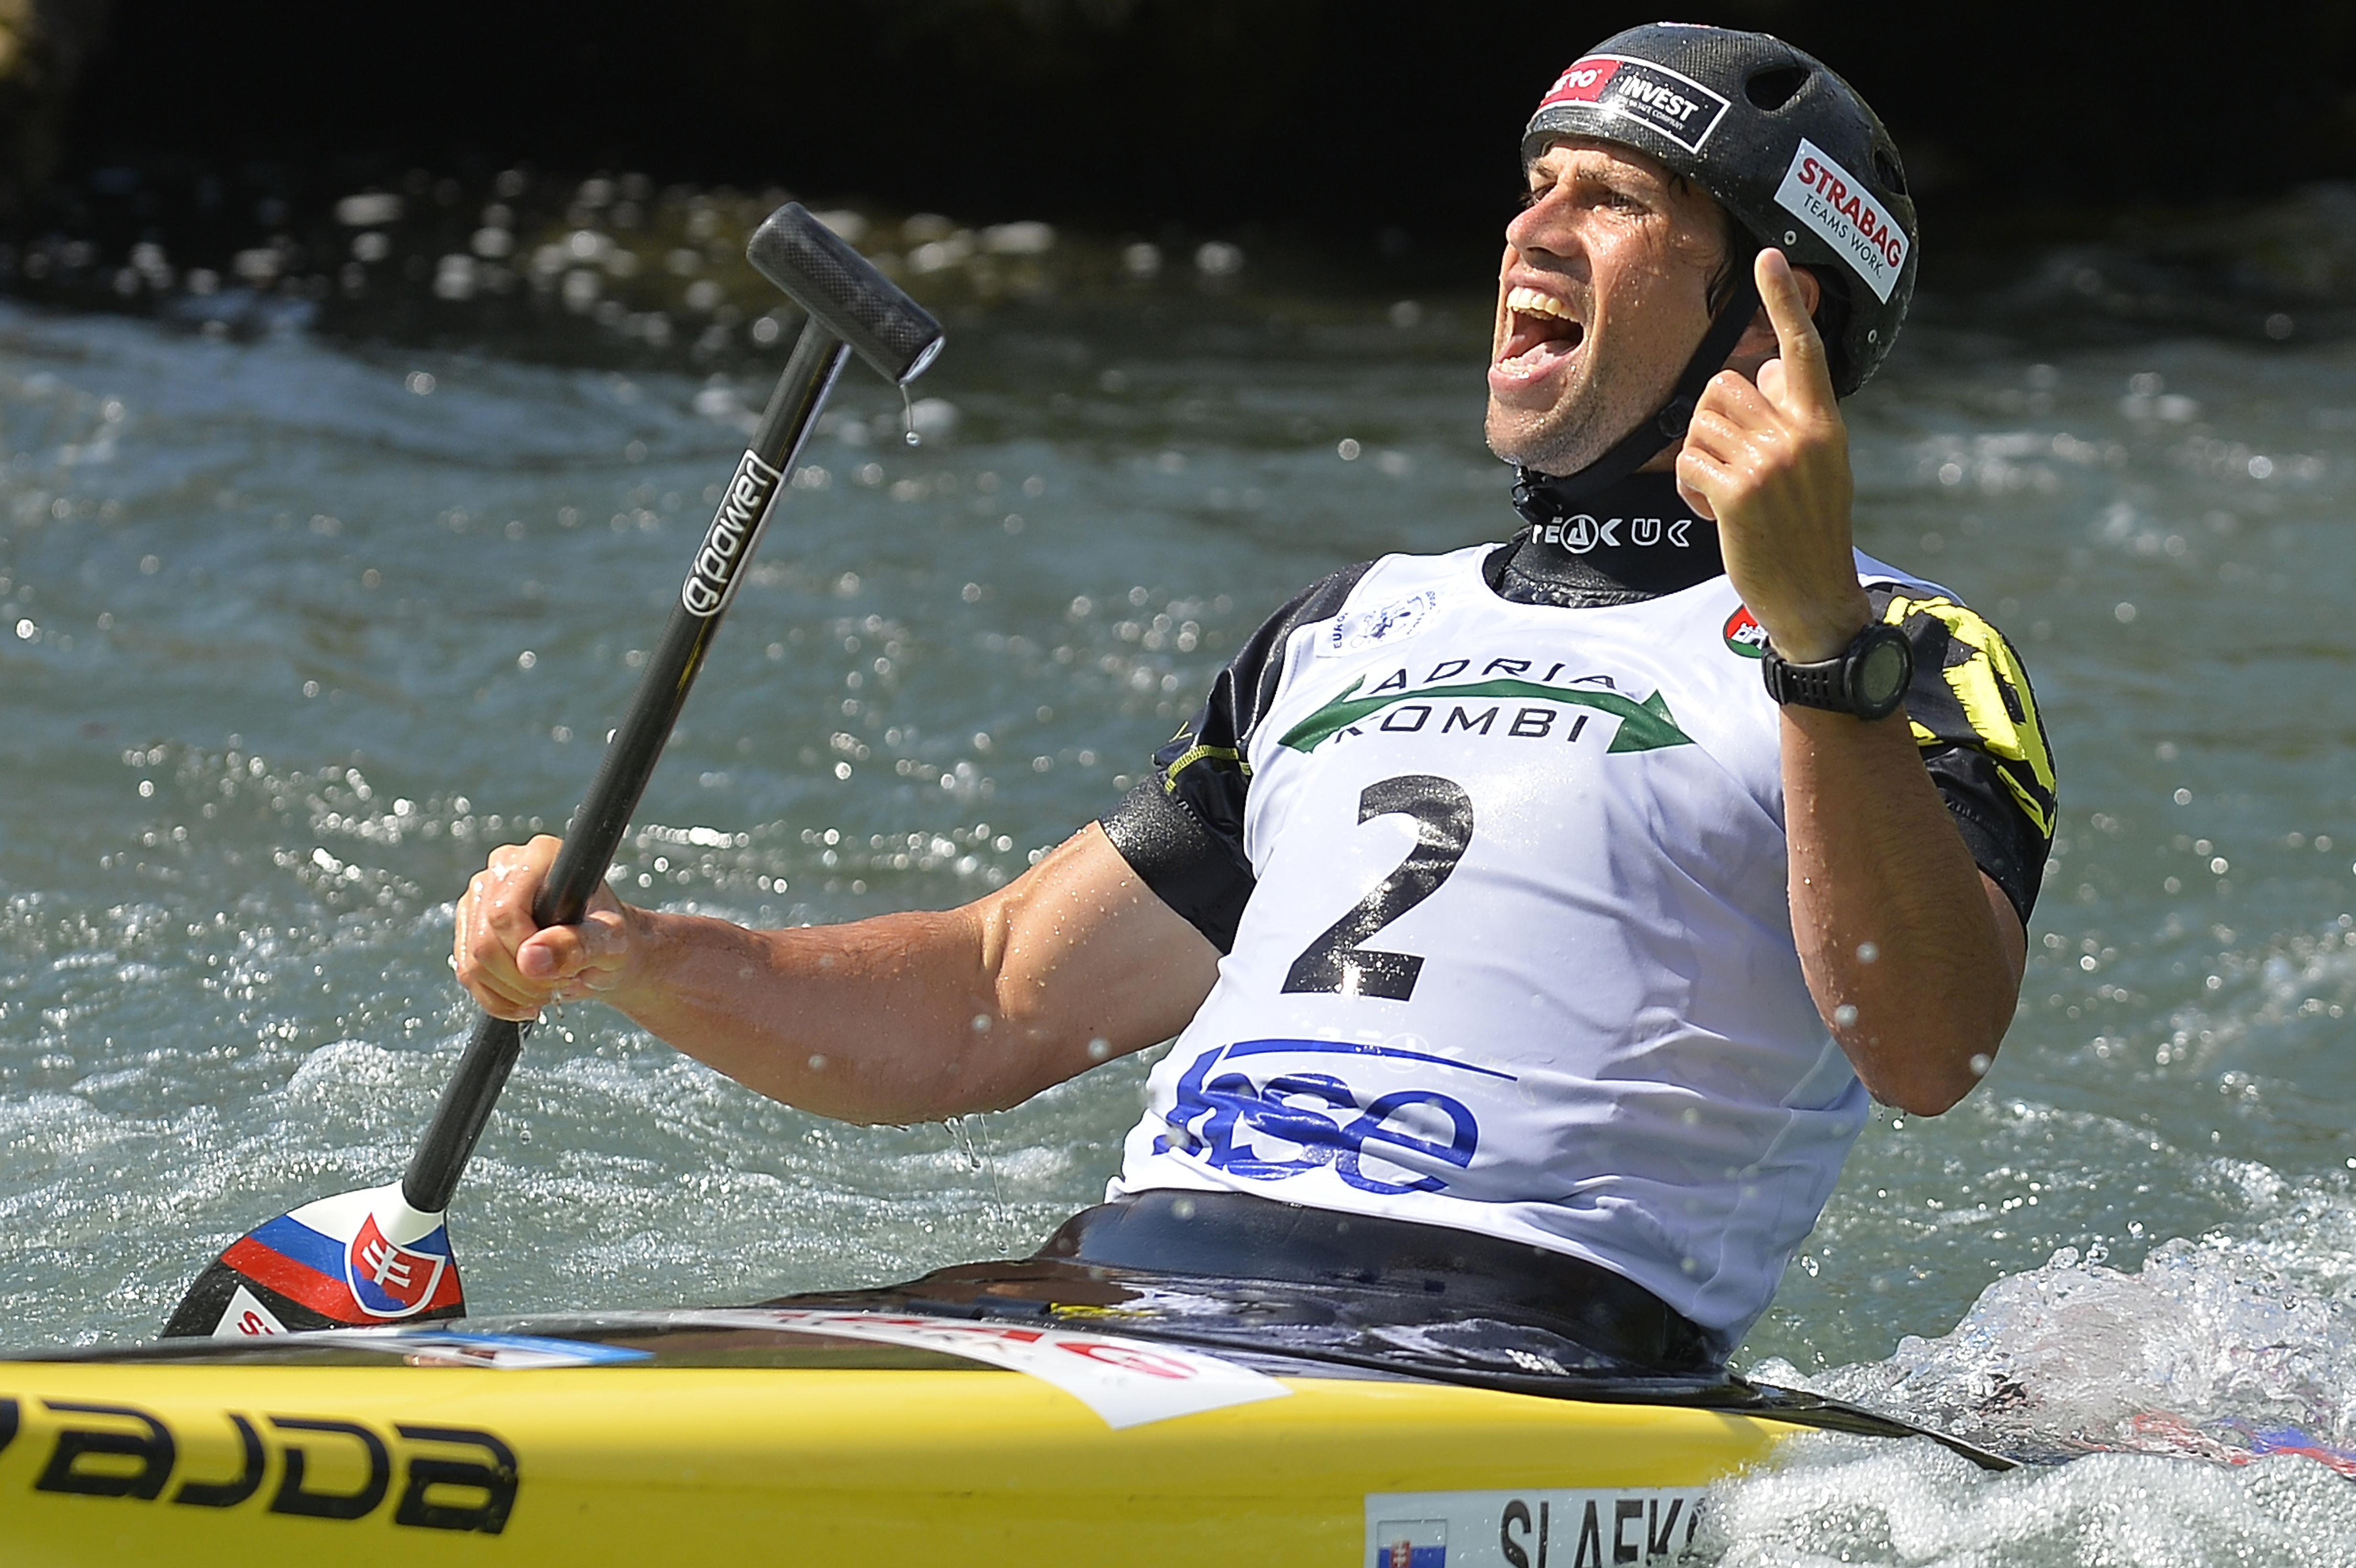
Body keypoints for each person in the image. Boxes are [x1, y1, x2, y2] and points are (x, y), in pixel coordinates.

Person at [454, 23, 2054, 1374]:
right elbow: (989, 999)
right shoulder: (1347, 628)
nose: (1533, 230)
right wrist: (631, 958)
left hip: (1509, 1347)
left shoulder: (1907, 649)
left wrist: (1817, 642)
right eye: (1534, 187)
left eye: (1617, 199)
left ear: (1776, 310)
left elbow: (1928, 1047)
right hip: (1133, 1291)